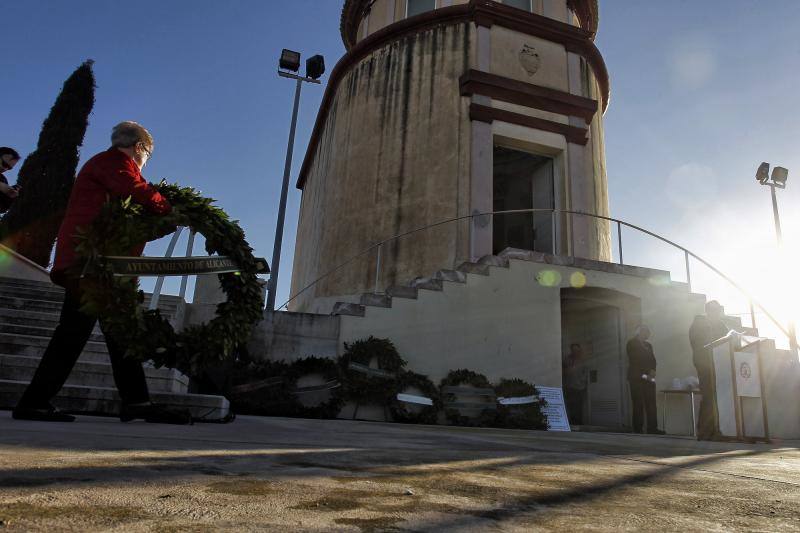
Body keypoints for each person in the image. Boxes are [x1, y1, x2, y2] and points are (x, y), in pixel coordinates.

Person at [12, 122, 191, 424]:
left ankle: (134, 401)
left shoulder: (106, 166)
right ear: (139, 147)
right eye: (147, 154)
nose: (144, 162)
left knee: (115, 332)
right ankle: (37, 401)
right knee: (79, 333)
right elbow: (136, 191)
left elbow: (126, 217)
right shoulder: (114, 164)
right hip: (91, 266)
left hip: (97, 266)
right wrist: (170, 209)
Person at [689, 300, 730, 440]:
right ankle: (705, 432)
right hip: (705, 365)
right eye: (715, 310)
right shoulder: (699, 323)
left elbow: (728, 339)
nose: (718, 313)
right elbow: (697, 343)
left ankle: (718, 430)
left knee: (718, 398)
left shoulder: (721, 325)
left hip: (720, 365)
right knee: (709, 396)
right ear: (708, 311)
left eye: (719, 310)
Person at [626, 325, 663, 434]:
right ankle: (638, 429)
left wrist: (653, 370)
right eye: (647, 332)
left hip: (648, 378)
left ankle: (653, 428)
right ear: (640, 332)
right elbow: (635, 359)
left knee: (651, 403)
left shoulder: (649, 345)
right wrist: (647, 370)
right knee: (638, 403)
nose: (649, 334)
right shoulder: (631, 343)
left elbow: (653, 359)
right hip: (636, 376)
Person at [563, 343, 588, 425]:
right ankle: (571, 423)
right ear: (571, 350)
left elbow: (586, 373)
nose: (575, 352)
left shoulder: (583, 360)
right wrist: (568, 370)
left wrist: (582, 381)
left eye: (577, 350)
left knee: (578, 407)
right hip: (569, 387)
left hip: (580, 388)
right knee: (570, 406)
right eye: (573, 350)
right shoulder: (567, 359)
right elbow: (563, 371)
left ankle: (579, 423)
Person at [0, 147, 21, 213]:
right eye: (4, 164)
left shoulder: (2, 179)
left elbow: (2, 209)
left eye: (9, 168)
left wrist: (10, 198)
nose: (5, 169)